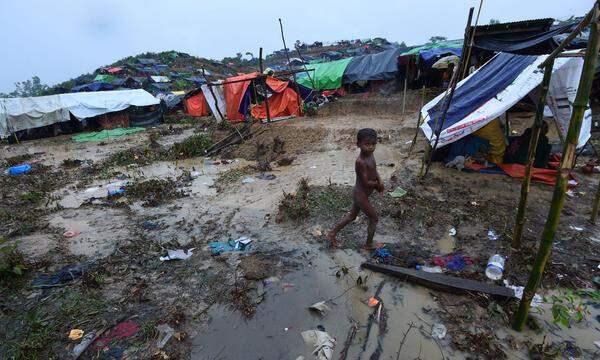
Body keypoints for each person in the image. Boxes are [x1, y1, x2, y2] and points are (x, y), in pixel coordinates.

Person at [327, 128, 384, 249]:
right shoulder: (361, 162)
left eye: (373, 144)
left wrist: (380, 181)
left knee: (351, 217)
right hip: (361, 195)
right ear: (358, 144)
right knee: (374, 218)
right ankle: (368, 244)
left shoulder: (370, 154)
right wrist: (376, 185)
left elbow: (374, 170)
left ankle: (332, 233)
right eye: (367, 144)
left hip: (362, 194)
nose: (370, 147)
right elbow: (366, 183)